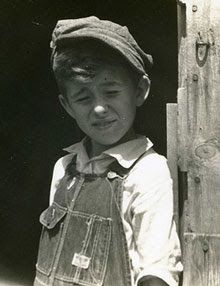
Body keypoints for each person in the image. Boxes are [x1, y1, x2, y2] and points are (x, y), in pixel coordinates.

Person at [34, 16, 182, 286]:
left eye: (111, 92)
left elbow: (157, 268)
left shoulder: (148, 172)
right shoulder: (64, 168)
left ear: (139, 91)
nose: (99, 108)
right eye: (83, 97)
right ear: (67, 106)